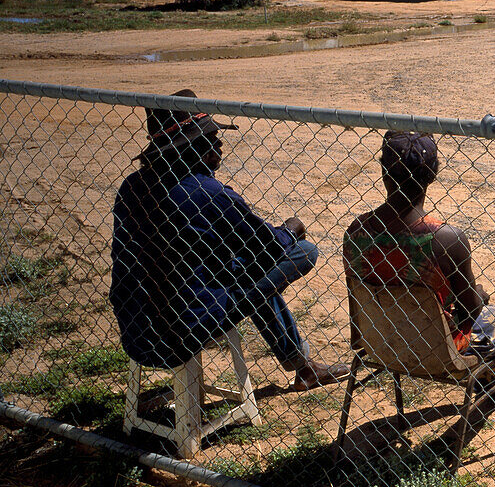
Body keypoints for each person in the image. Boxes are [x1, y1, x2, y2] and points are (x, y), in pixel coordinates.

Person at [110, 89, 349, 391]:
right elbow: (270, 245)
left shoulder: (132, 186)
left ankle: (304, 366)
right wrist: (291, 228)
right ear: (191, 148)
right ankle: (302, 366)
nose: (220, 144)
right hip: (186, 329)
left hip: (136, 328)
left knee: (248, 268)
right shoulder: (208, 193)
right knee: (301, 252)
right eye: (210, 139)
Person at [343, 130, 495, 374]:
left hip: (379, 344)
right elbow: (471, 311)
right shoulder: (446, 239)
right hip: (439, 353)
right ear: (432, 176)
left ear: (383, 172)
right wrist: (477, 295)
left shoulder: (357, 231)